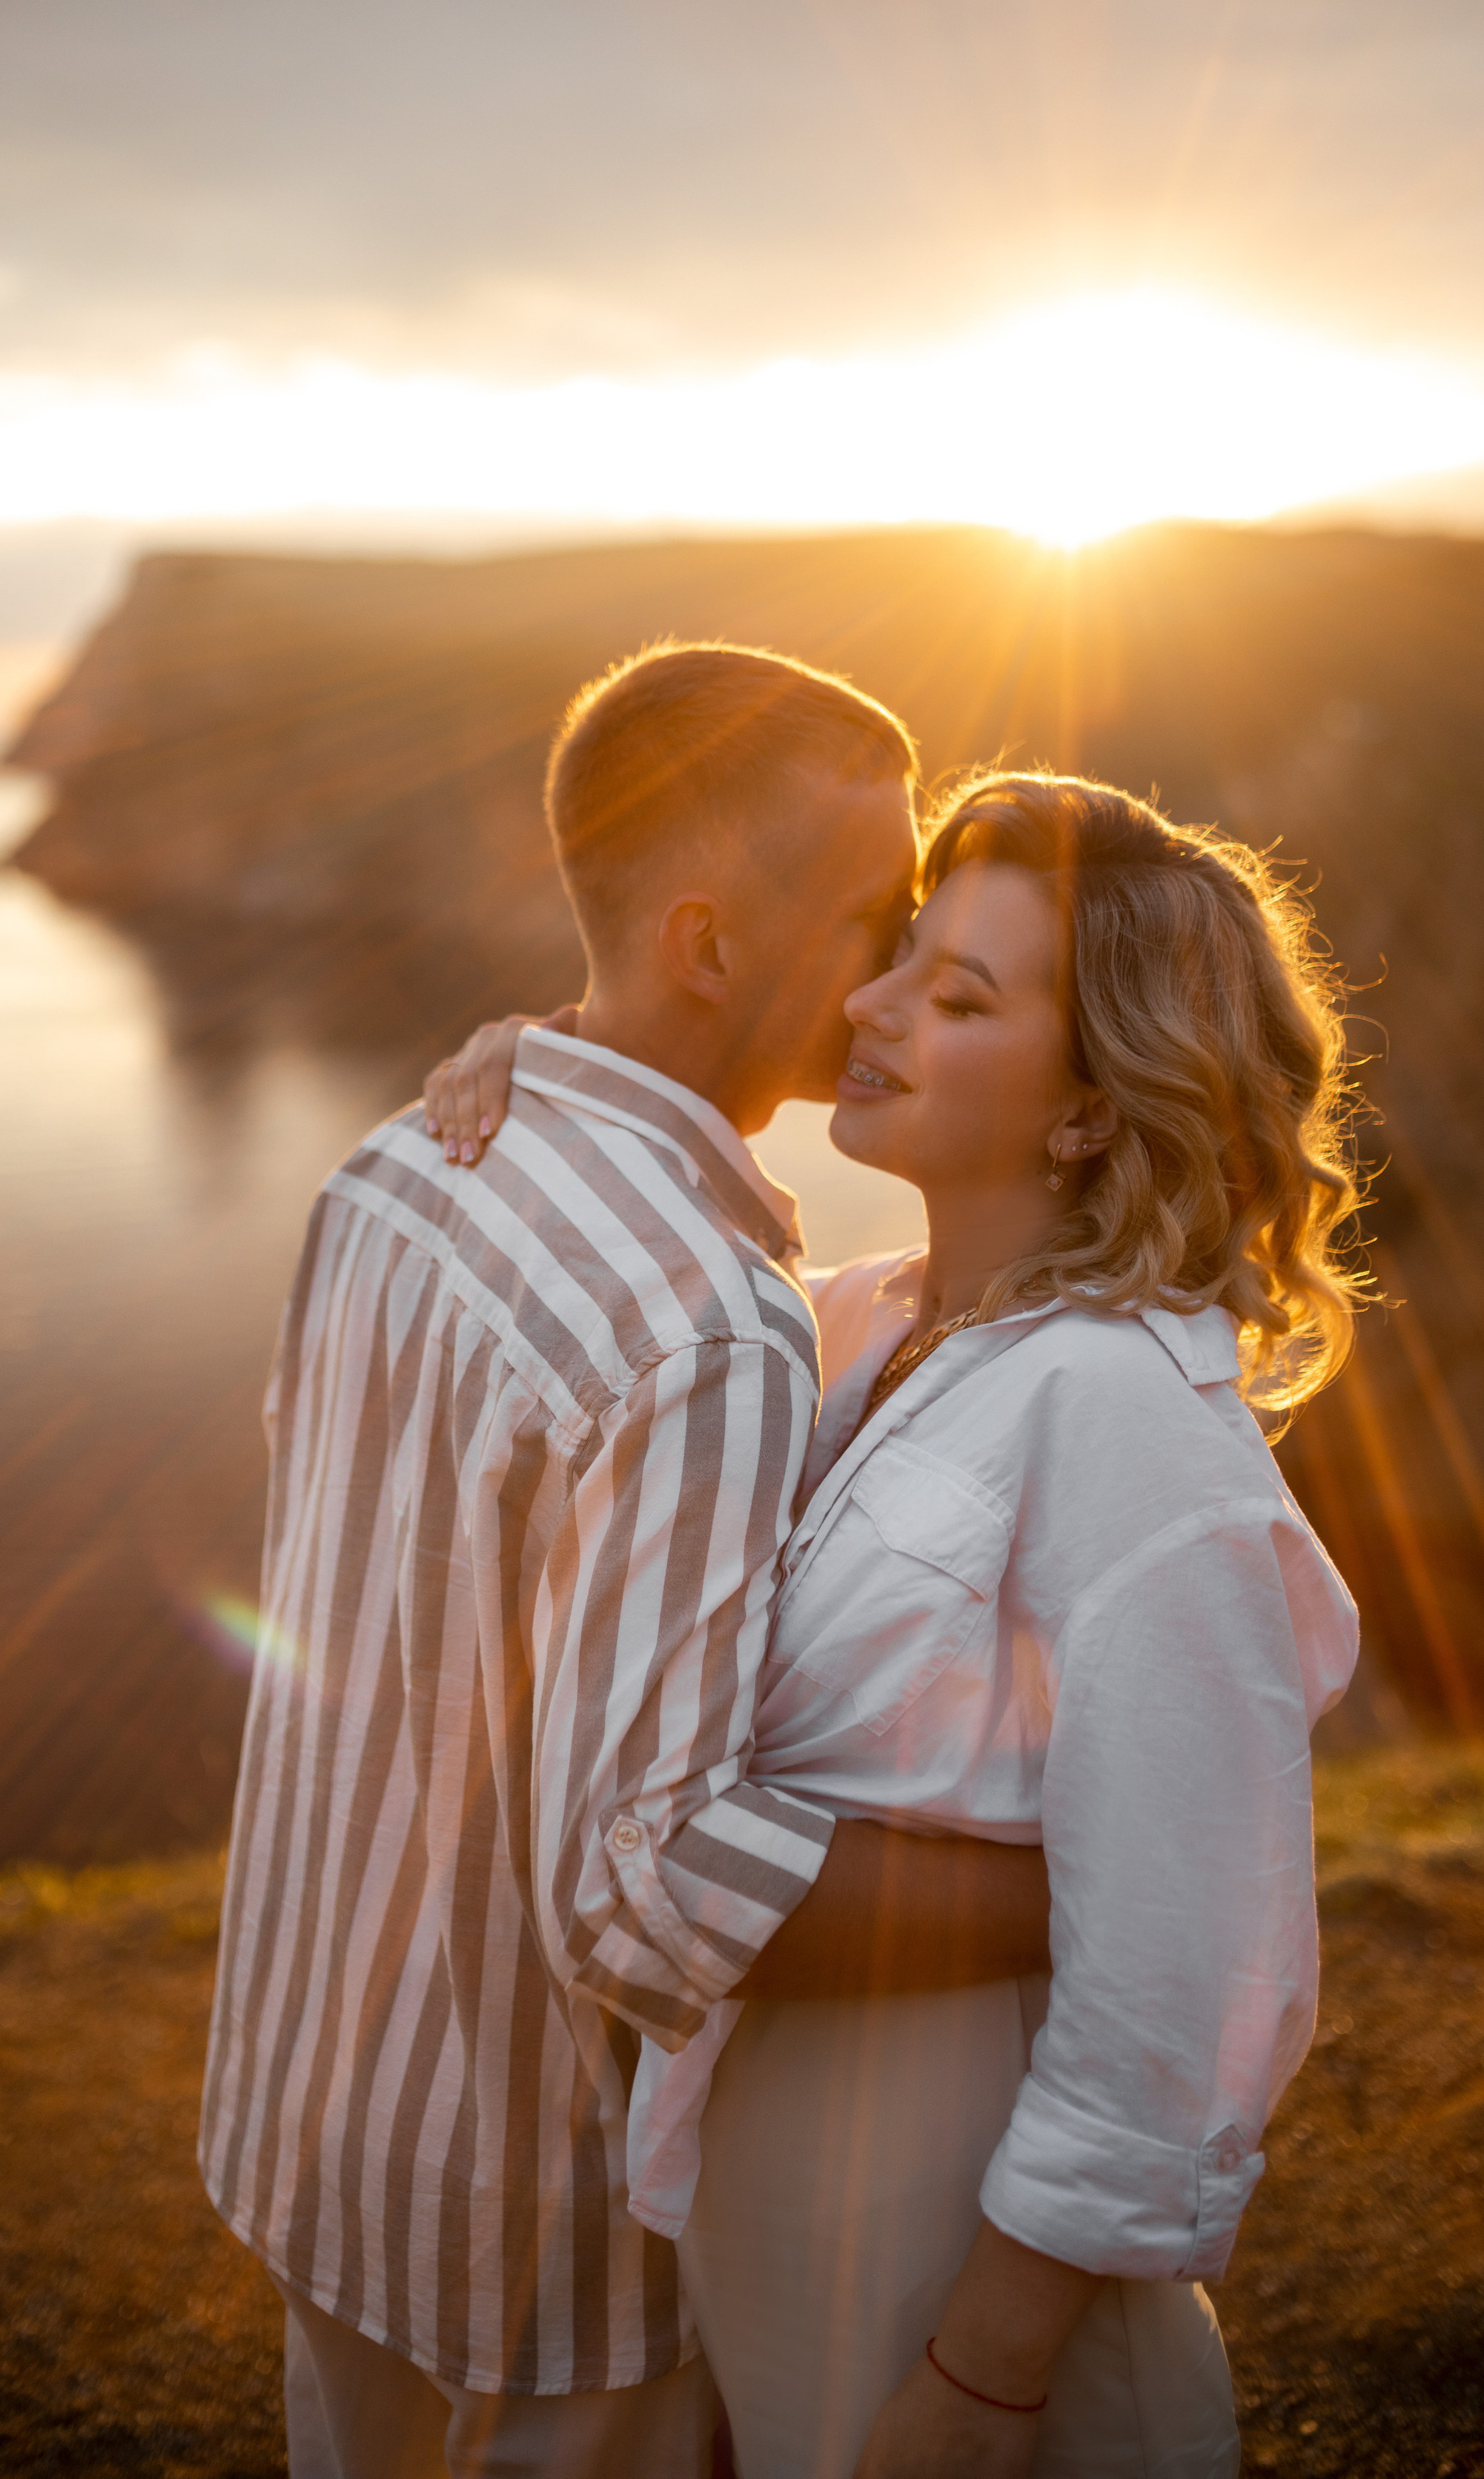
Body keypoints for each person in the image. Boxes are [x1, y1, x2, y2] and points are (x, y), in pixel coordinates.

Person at [429, 769, 1363, 2479]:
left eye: (960, 997)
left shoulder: (1130, 1419)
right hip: (770, 2166)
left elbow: (1190, 1965)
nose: (869, 1006)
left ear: (1088, 1115)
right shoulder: (859, 1326)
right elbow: (623, 1373)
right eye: (902, 956)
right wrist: (548, 1071)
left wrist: (986, 2375)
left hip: (955, 2182)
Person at [199, 645, 1053, 2479]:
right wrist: (1084, 1891)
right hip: (532, 2226)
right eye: (876, 916)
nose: (900, 971)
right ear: (706, 946)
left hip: (310, 2100)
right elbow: (646, 1891)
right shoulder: (704, 1327)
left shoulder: (389, 1170)